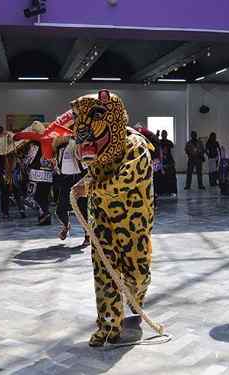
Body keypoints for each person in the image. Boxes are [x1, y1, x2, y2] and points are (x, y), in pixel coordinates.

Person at [71, 90, 154, 347]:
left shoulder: (137, 148)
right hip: (103, 220)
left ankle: (136, 295)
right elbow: (96, 177)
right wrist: (84, 181)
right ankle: (108, 325)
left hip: (134, 224)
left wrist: (91, 187)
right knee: (104, 272)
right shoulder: (96, 151)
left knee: (137, 276)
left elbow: (123, 181)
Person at [54, 134, 89, 245]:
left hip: (79, 180)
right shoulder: (60, 149)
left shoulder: (80, 146)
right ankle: (65, 226)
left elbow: (85, 166)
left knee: (83, 209)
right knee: (60, 210)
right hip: (65, 181)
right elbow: (58, 165)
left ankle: (88, 235)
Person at [159, 130, 178, 196]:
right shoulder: (159, 142)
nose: (164, 135)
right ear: (161, 135)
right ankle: (162, 191)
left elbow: (173, 152)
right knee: (161, 178)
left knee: (171, 178)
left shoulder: (170, 143)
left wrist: (173, 162)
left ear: (166, 135)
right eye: (162, 134)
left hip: (170, 162)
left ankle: (172, 191)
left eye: (165, 134)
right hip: (161, 162)